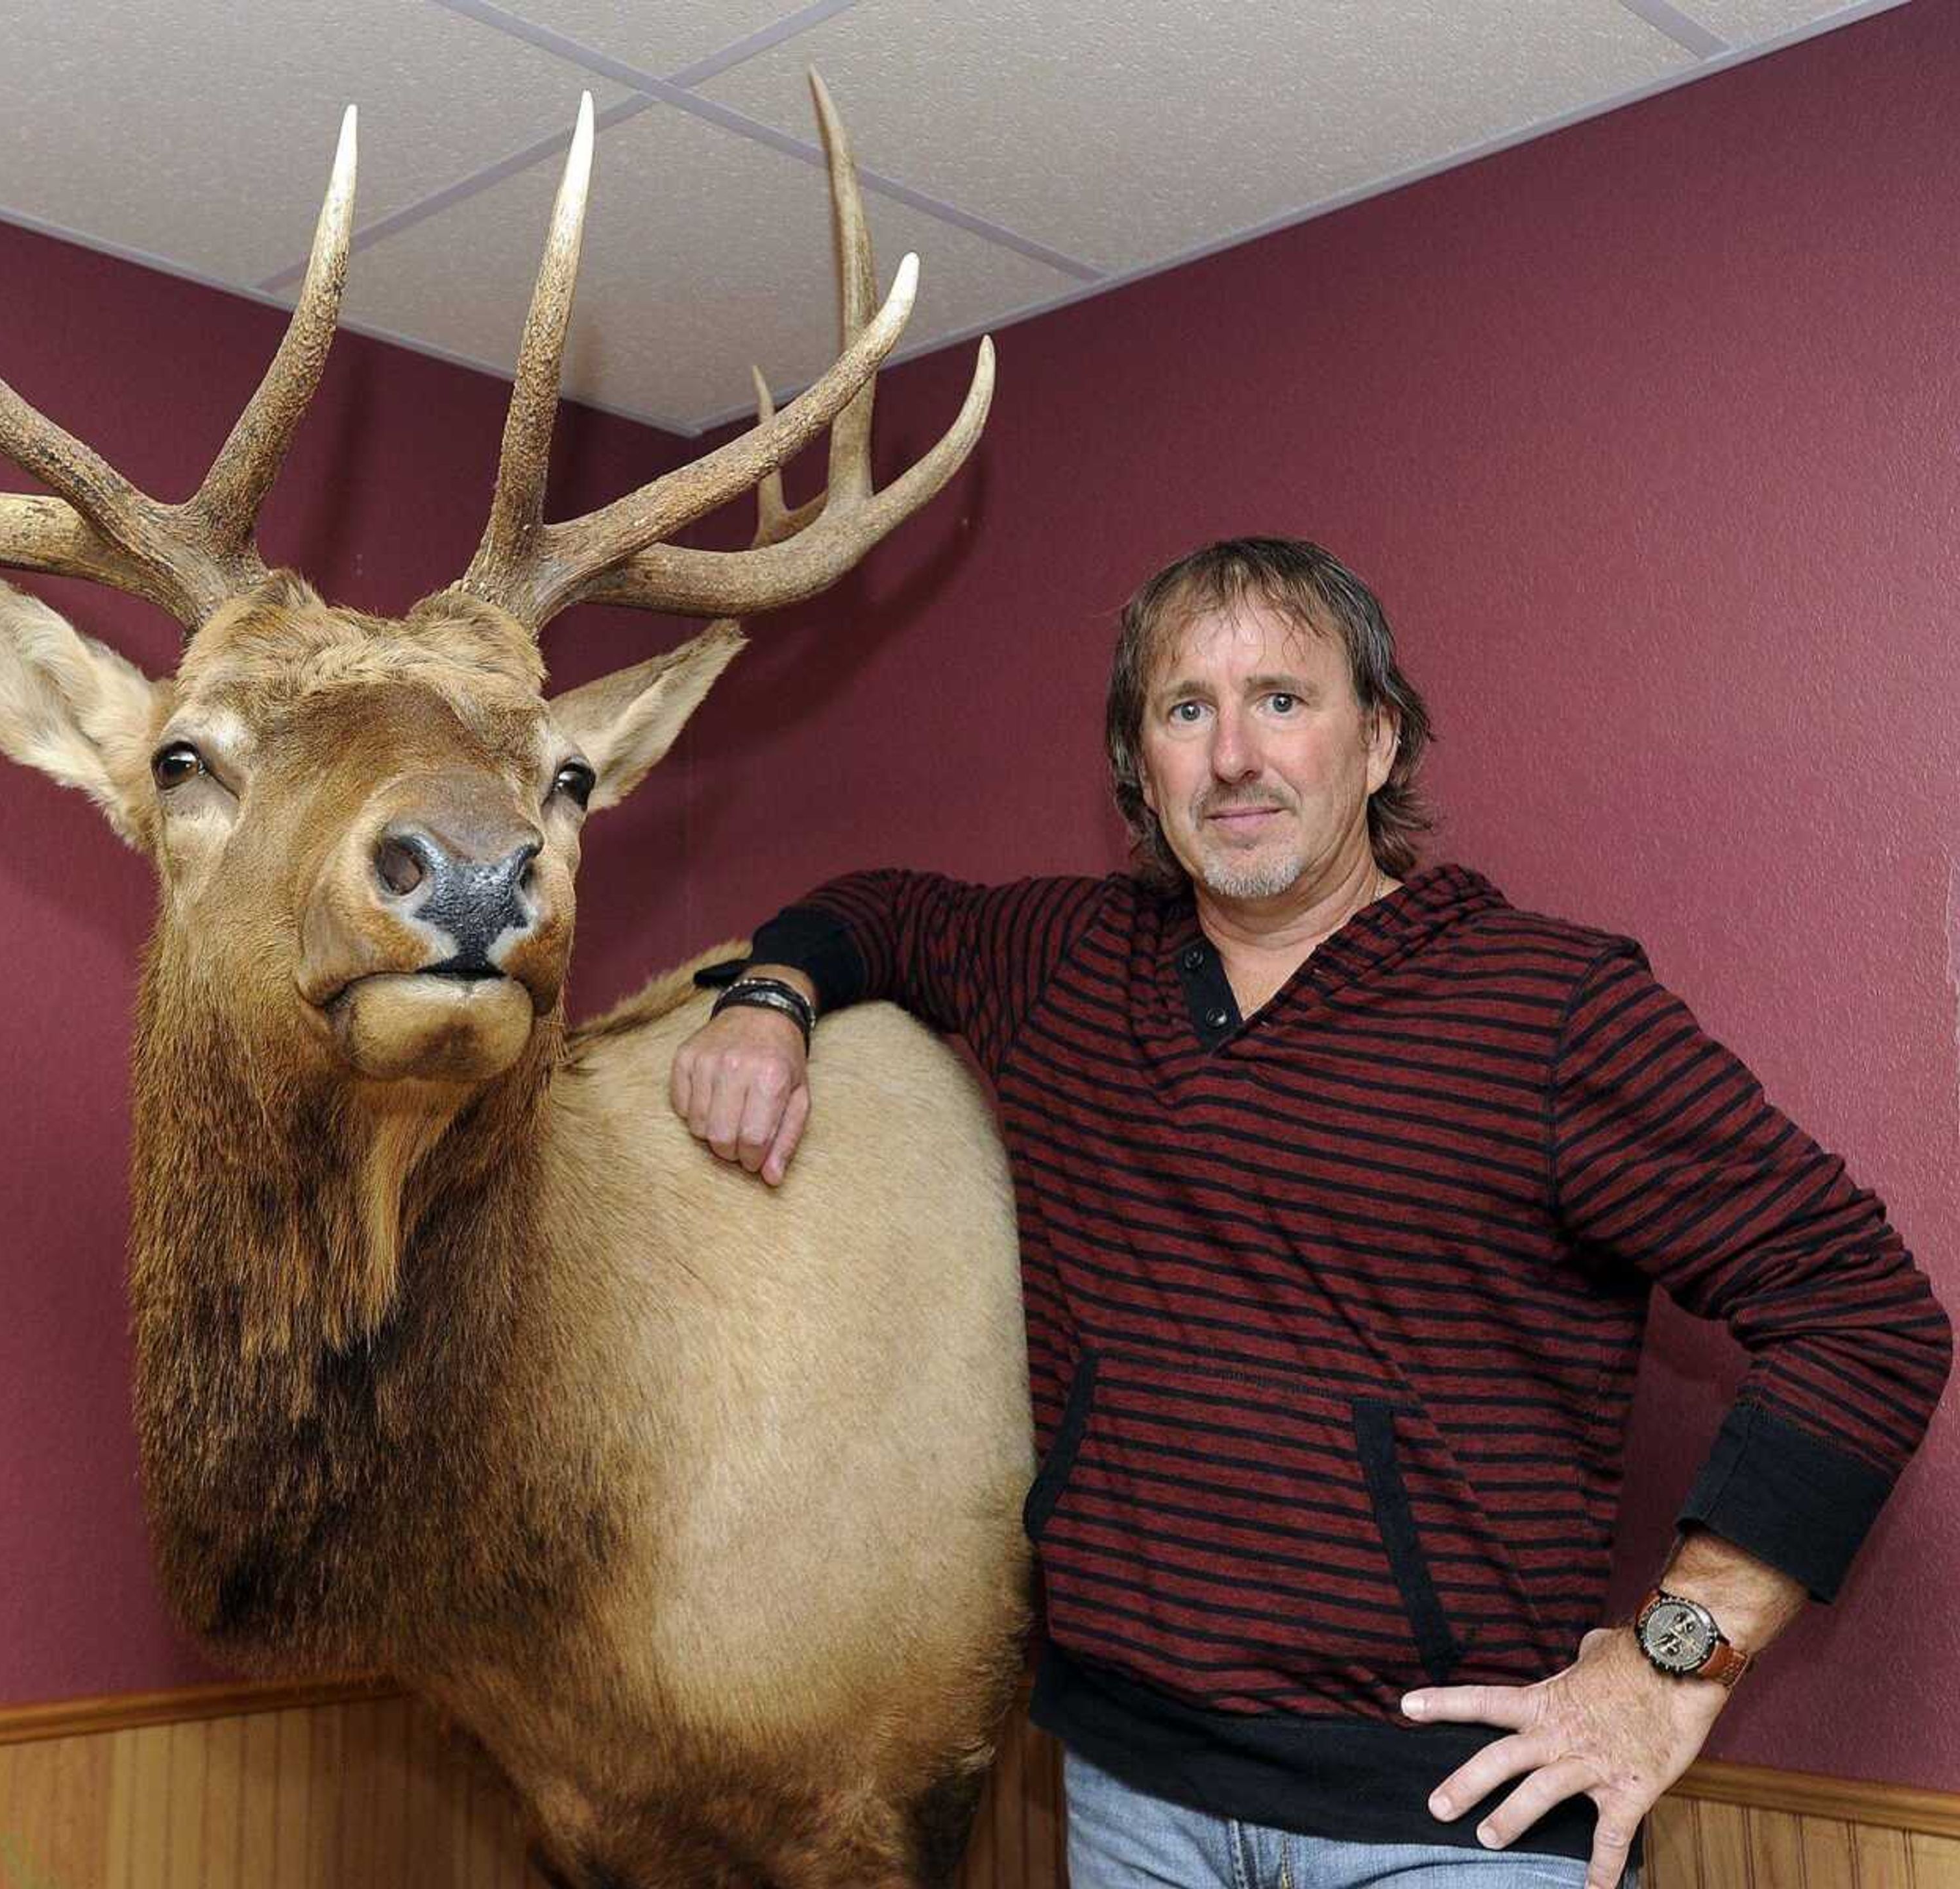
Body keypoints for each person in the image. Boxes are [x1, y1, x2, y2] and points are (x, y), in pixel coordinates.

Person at [666, 537, 1950, 1889]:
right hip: (1126, 1798)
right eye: (1185, 710)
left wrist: (1674, 1662)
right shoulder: (1062, 964)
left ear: (1379, 740)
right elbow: (880, 913)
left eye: (1283, 699)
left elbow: (1865, 1317)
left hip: (1458, 1823)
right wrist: (769, 999)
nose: (1233, 757)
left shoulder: (1550, 1010)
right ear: (1140, 766)